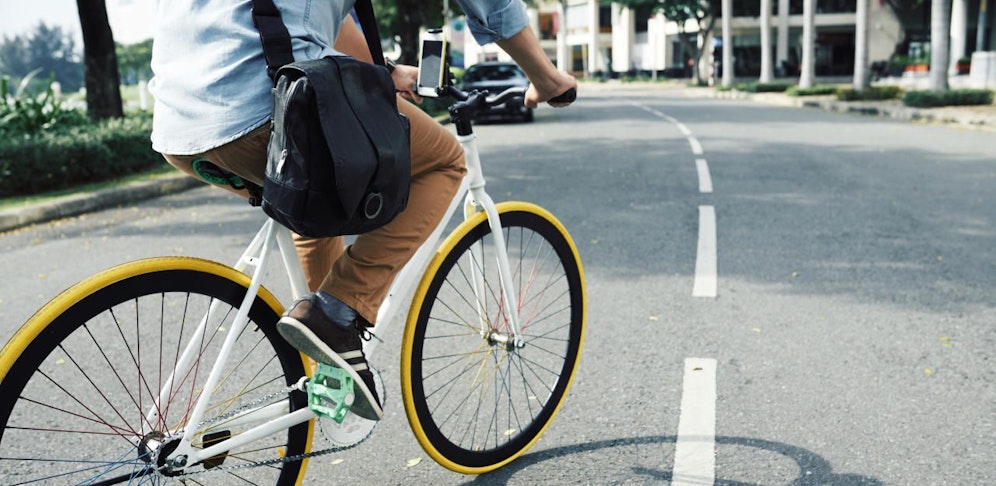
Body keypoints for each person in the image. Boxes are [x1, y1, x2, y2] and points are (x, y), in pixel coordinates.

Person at [149, 0, 577, 422]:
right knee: (446, 161)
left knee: (318, 193)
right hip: (273, 106)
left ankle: (335, 354)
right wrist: (545, 76)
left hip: (181, 130)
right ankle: (337, 310)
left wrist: (386, 73)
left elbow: (315, 16)